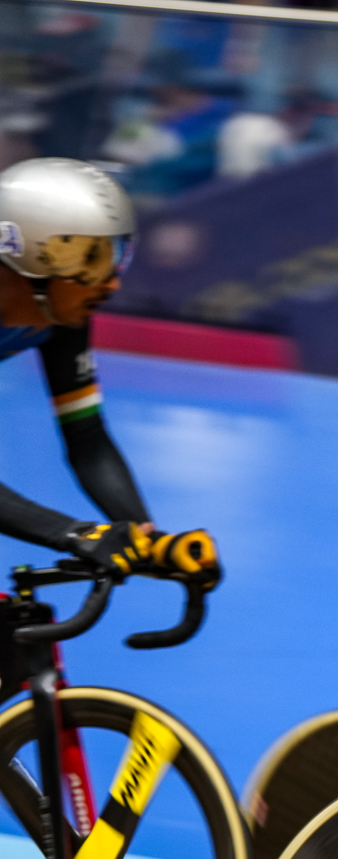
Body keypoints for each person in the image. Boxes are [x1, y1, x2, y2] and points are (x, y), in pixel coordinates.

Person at [0, 157, 220, 588]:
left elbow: (88, 441)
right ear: (30, 256)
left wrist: (147, 538)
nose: (113, 283)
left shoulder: (61, 315)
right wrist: (77, 534)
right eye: (94, 259)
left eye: (119, 256)